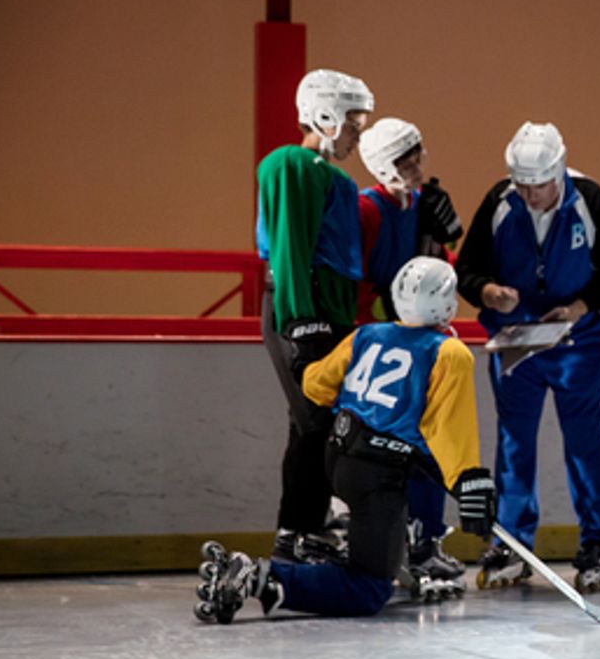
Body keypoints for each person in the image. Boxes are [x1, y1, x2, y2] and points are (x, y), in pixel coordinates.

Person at [193, 257, 497, 622]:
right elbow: (449, 429)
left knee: (412, 483)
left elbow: (315, 385)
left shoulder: (367, 335)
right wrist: (467, 479)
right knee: (369, 588)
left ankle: (388, 551)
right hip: (378, 477)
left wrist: (306, 357)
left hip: (338, 460)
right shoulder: (449, 352)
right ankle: (263, 577)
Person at [455, 122, 600, 593]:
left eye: (538, 184)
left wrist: (579, 308)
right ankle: (513, 544)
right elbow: (468, 267)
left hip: (577, 340)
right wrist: (488, 292)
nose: (530, 194)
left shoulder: (589, 199)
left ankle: (599, 542)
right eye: (522, 184)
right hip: (516, 341)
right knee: (514, 441)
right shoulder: (501, 201)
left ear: (558, 172)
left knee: (585, 439)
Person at [255, 68, 373, 565]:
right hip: (302, 308)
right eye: (352, 122)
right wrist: (301, 320)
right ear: (325, 114)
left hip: (333, 309)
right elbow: (289, 247)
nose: (357, 133)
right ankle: (298, 529)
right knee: (312, 422)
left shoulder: (338, 179)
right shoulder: (291, 164)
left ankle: (315, 520)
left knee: (325, 422)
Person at [357, 117, 466, 599]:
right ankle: (373, 535)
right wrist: (384, 327)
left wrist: (446, 244)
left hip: (421, 342)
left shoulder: (426, 206)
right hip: (380, 343)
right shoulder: (367, 210)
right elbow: (357, 282)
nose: (419, 165)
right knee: (383, 444)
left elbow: (439, 272)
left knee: (432, 440)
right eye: (406, 159)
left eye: (419, 153)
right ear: (384, 166)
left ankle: (425, 537)